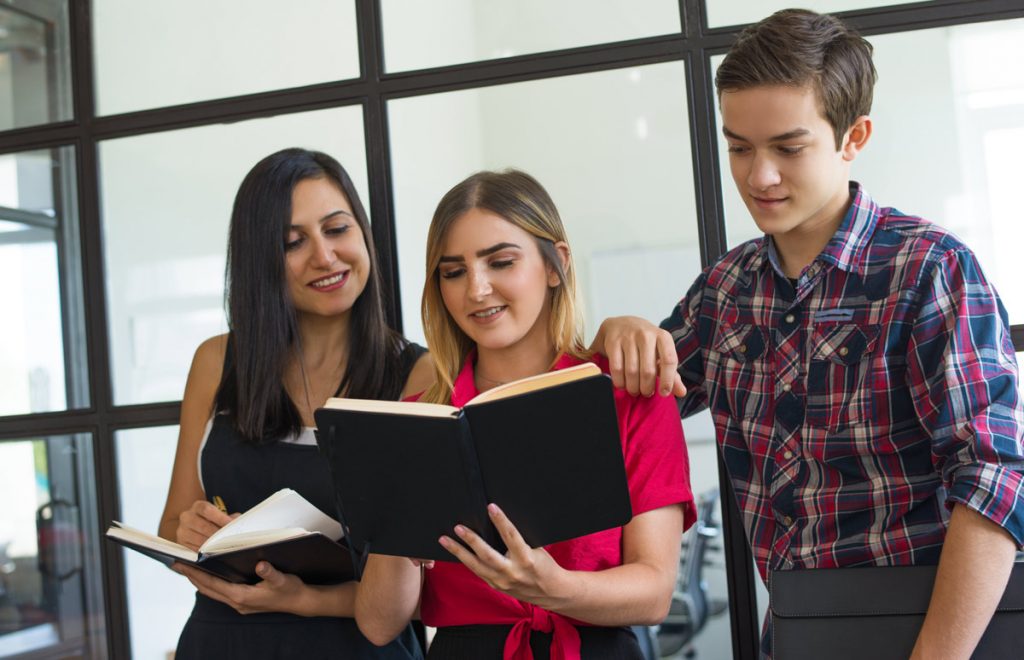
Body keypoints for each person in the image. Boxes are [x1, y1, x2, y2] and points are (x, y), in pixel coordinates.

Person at [595, 8, 1024, 659]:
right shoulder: (726, 290)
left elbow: (995, 480)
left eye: (788, 148)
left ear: (854, 137)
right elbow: (622, 417)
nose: (757, 175)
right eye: (738, 146)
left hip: (935, 628)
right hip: (798, 630)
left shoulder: (928, 270)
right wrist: (615, 334)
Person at [354, 169, 696, 659]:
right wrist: (400, 536)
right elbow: (379, 624)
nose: (476, 289)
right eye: (453, 272)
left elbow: (655, 591)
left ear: (556, 264)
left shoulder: (627, 393)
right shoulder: (419, 421)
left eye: (500, 262)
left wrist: (552, 586)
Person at [157, 148, 433, 659]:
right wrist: (189, 533)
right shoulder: (216, 362)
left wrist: (305, 599)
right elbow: (172, 526)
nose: (325, 256)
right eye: (293, 242)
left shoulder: (420, 375)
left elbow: (440, 589)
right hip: (225, 641)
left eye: (337, 229)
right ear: (260, 260)